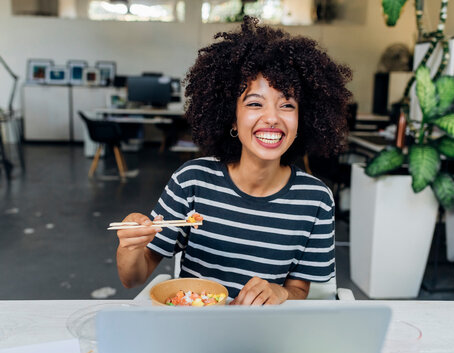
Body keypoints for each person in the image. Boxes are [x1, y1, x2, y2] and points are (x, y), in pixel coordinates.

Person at [116, 16, 352, 305]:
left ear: (303, 120)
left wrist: (280, 292)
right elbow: (133, 278)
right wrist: (130, 247)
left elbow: (298, 290)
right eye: (254, 103)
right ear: (232, 117)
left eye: (287, 105)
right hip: (196, 328)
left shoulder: (315, 200)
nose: (272, 118)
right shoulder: (192, 181)